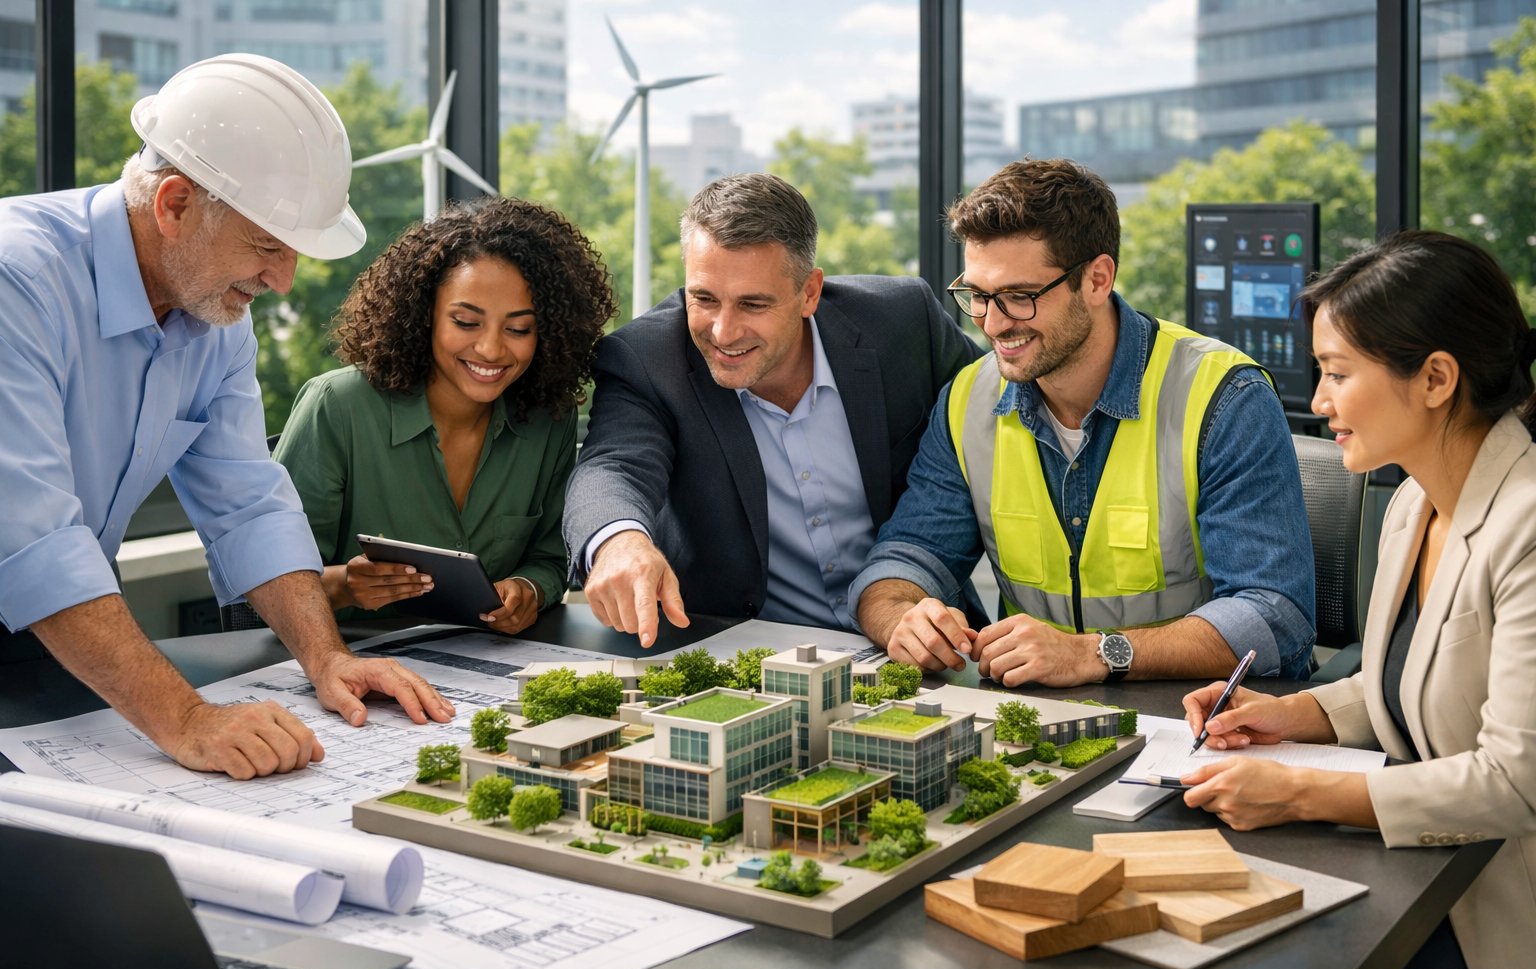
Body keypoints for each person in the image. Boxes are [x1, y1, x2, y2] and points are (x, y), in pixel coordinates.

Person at [0, 54, 453, 781]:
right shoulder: (14, 278)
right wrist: (185, 720)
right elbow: (33, 540)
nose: (282, 281)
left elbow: (247, 501)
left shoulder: (215, 311)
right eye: (266, 246)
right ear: (174, 204)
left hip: (52, 632)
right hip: (42, 594)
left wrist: (327, 656)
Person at [1179, 230, 1536, 969]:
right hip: (1427, 881)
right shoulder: (1413, 498)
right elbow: (1408, 677)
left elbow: (1515, 782)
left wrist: (1299, 792)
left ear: (1437, 377)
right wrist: (1289, 714)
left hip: (1505, 927)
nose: (1319, 401)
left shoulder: (1528, 525)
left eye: (1339, 373)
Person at [852, 159, 1315, 687]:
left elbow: (1275, 616)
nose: (994, 323)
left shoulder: (1223, 397)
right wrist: (901, 617)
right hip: (1041, 715)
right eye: (978, 296)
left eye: (1020, 297)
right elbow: (907, 554)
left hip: (1202, 717)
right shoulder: (967, 399)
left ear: (1097, 279)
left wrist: (1092, 654)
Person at [563, 172, 981, 646]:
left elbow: (998, 411)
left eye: (753, 304)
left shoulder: (903, 323)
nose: (723, 332)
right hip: (747, 658)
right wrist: (619, 541)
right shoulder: (647, 359)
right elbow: (611, 466)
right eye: (703, 298)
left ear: (809, 293)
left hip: (924, 641)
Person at [275, 196, 616, 633]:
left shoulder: (548, 420)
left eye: (518, 329)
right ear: (424, 316)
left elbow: (551, 558)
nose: (492, 349)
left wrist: (528, 589)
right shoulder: (337, 407)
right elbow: (270, 577)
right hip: (346, 664)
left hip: (486, 668)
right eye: (466, 322)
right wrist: (345, 585)